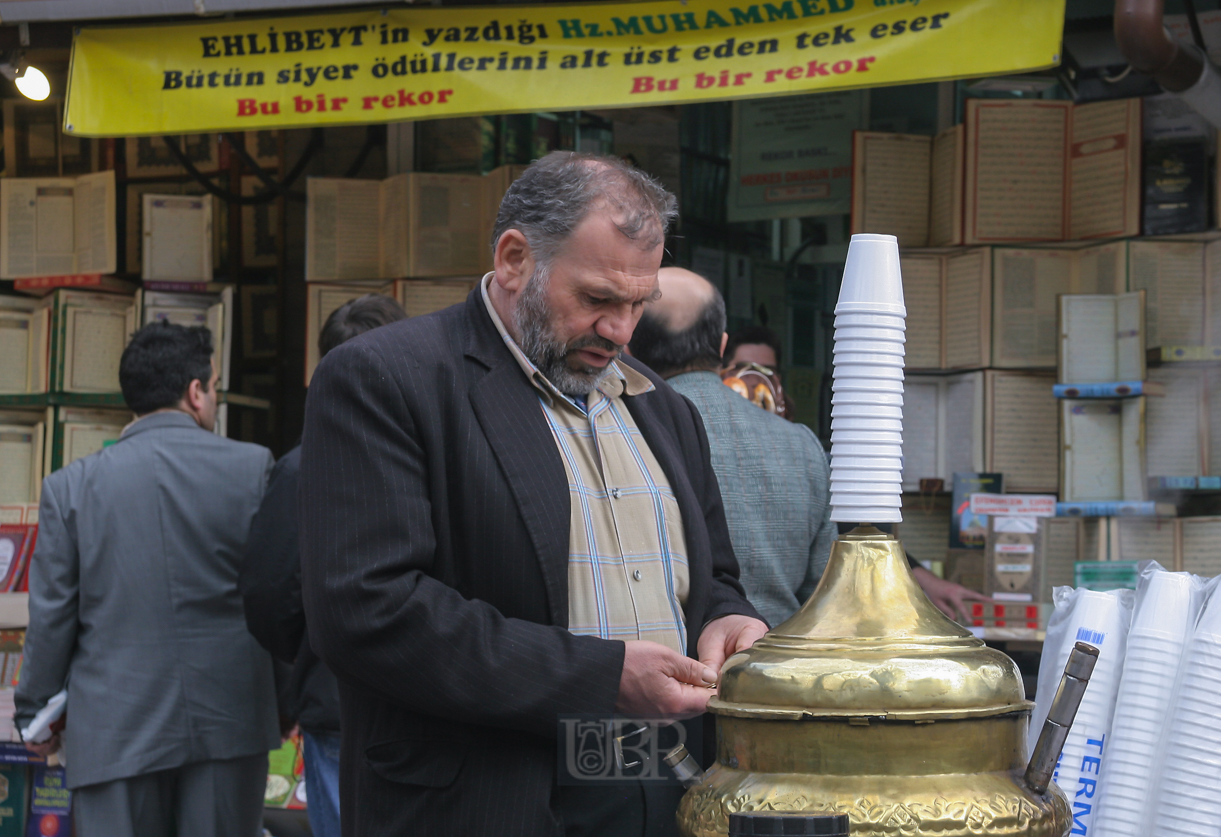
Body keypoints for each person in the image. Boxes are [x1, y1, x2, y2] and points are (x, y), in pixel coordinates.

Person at [300, 152, 767, 837]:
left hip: (664, 790)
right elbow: (368, 611)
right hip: (490, 801)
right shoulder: (387, 380)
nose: (621, 330)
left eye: (639, 303)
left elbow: (715, 577)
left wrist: (729, 620)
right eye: (598, 299)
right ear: (515, 259)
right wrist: (601, 676)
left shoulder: (662, 408)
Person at [16, 322, 277, 837]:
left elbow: (51, 619)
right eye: (215, 386)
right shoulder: (254, 469)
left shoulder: (68, 489)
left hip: (114, 732)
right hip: (230, 723)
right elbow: (277, 595)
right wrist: (288, 700)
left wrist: (34, 715)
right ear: (195, 392)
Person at [630, 267, 988, 625]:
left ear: (627, 343)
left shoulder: (624, 431)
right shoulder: (804, 445)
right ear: (722, 346)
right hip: (778, 666)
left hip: (666, 669)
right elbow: (828, 592)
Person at [239, 294, 407, 837]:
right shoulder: (443, 449)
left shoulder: (302, 467)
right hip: (436, 705)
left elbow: (268, 593)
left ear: (322, 373)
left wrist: (313, 649)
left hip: (336, 699)